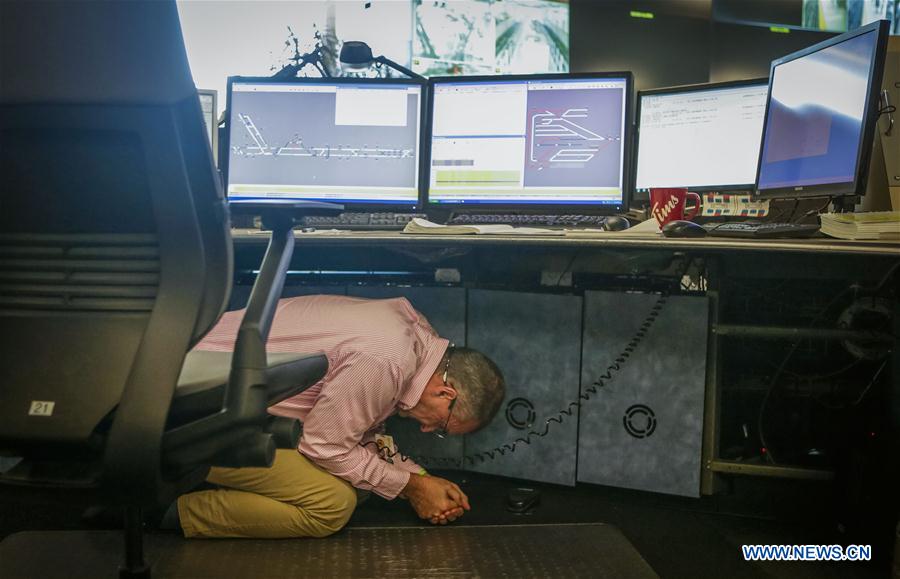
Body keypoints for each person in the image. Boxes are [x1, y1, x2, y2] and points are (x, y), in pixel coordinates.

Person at [172, 294, 506, 539]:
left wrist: (419, 477)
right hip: (195, 411)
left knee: (358, 483)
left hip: (217, 393)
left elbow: (359, 428)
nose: (425, 427)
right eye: (442, 427)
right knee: (332, 504)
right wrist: (412, 487)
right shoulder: (385, 360)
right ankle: (165, 512)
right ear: (446, 393)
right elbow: (325, 446)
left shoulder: (415, 339)